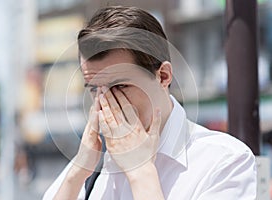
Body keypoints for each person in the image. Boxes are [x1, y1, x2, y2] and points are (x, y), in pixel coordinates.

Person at [43, 6, 257, 200]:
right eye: (94, 89)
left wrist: (141, 172)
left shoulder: (224, 162)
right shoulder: (90, 166)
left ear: (163, 76)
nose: (105, 104)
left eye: (119, 87)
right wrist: (78, 173)